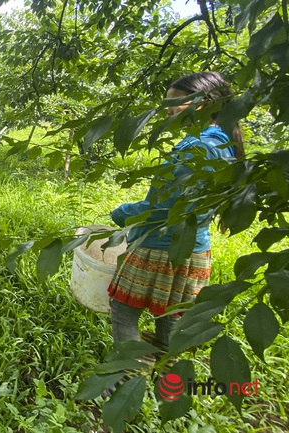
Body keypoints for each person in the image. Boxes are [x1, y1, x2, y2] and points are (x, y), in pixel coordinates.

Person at [107, 71, 244, 356]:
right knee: (172, 312)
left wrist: (122, 214)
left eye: (177, 101)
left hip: (160, 245)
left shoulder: (198, 148)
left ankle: (126, 375)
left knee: (124, 310)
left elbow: (163, 208)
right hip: (193, 247)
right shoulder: (223, 144)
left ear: (204, 102)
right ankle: (167, 367)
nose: (168, 108)